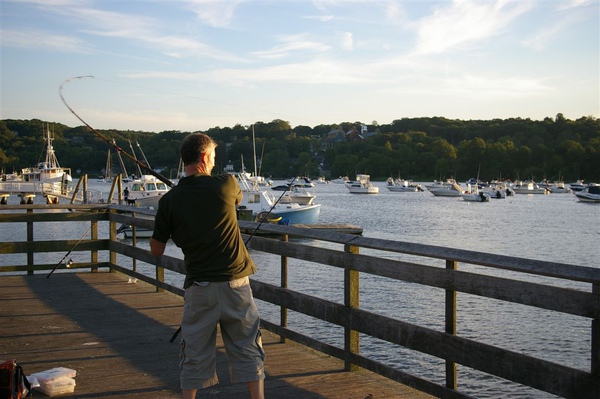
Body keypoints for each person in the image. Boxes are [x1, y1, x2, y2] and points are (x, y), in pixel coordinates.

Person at [150, 133, 265, 399]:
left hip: (199, 286)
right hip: (236, 284)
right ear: (204, 157)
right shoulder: (226, 184)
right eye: (213, 158)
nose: (214, 163)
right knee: (248, 347)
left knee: (194, 352)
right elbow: (235, 202)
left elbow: (156, 250)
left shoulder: (169, 201)